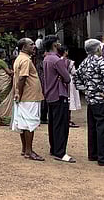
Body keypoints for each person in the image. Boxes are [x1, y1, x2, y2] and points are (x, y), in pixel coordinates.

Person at [73, 39, 104, 166]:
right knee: (103, 127)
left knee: (93, 126)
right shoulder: (102, 62)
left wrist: (84, 89)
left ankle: (93, 154)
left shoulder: (84, 62)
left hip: (90, 99)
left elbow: (75, 77)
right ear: (97, 49)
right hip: (101, 99)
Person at [11, 38, 45, 161]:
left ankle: (25, 149)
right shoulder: (25, 60)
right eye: (31, 45)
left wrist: (18, 93)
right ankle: (29, 151)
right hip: (29, 96)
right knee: (29, 123)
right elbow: (22, 78)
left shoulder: (20, 58)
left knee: (23, 123)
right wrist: (18, 93)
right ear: (24, 47)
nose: (34, 46)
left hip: (25, 96)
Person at [42, 35, 74, 163]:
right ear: (55, 45)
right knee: (61, 124)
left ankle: (54, 148)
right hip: (59, 94)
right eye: (58, 42)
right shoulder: (57, 60)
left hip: (50, 94)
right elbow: (67, 78)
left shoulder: (46, 59)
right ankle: (61, 152)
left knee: (53, 123)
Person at [58, 45, 81, 128]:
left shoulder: (57, 61)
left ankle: (63, 119)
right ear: (65, 52)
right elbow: (74, 72)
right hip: (69, 81)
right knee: (70, 100)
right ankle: (68, 119)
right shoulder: (70, 62)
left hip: (59, 82)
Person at [0, 49, 14, 125]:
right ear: (1, 54)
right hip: (4, 82)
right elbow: (8, 72)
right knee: (5, 99)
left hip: (0, 82)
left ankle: (1, 117)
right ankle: (5, 117)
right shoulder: (1, 62)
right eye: (4, 52)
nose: (5, 53)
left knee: (1, 99)